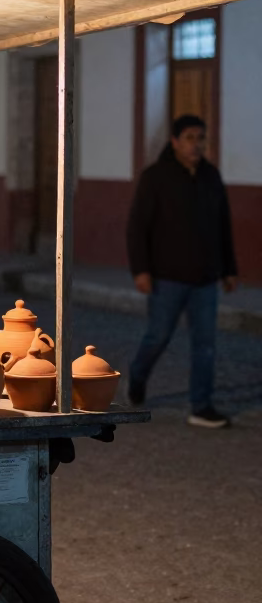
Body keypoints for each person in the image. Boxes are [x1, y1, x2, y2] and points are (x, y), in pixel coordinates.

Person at [126, 113, 237, 428]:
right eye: (189, 137)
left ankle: (201, 406)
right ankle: (137, 375)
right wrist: (141, 270)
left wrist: (229, 269)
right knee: (158, 336)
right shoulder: (156, 177)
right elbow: (137, 227)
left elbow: (223, 225)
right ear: (174, 141)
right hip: (167, 277)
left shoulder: (211, 176)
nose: (196, 144)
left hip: (205, 278)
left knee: (205, 344)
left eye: (200, 138)